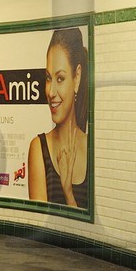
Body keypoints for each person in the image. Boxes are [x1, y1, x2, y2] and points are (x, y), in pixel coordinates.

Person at [26, 27, 91, 208]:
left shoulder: (93, 149)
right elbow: (39, 224)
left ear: (76, 78)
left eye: (60, 79)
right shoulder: (39, 148)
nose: (51, 92)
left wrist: (68, 192)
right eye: (48, 78)